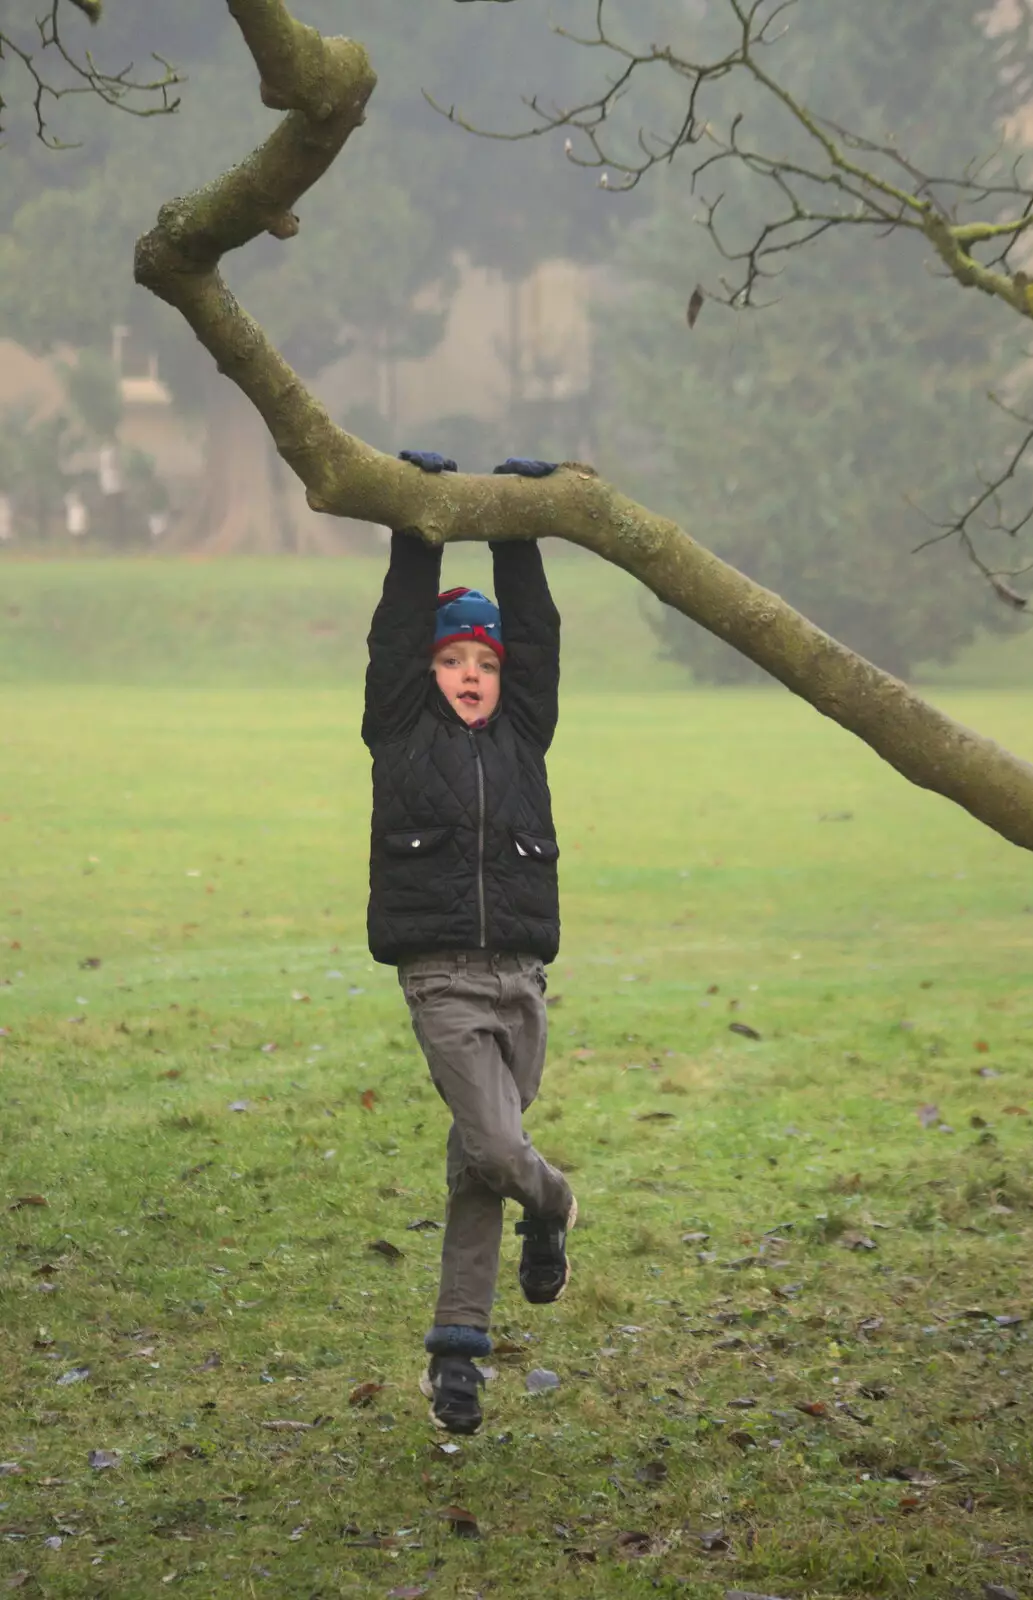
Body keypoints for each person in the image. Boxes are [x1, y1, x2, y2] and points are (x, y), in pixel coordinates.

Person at [362, 449, 576, 1436]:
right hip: (441, 973)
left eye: (483, 663)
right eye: (452, 660)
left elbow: (535, 634)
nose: (470, 676)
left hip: (519, 978)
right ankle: (556, 1199)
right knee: (498, 1146)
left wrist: (516, 525)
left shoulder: (524, 736)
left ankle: (456, 1358)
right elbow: (397, 631)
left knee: (477, 1162)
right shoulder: (400, 728)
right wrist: (420, 525)